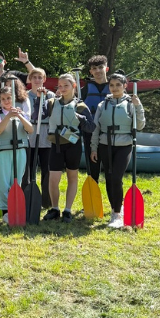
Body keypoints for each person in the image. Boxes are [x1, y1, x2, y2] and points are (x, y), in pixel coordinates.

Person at [92, 74, 145, 228]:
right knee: (109, 178)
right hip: (105, 144)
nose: (114, 88)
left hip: (124, 145)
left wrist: (138, 107)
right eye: (112, 85)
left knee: (116, 177)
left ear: (125, 86)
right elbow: (96, 128)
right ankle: (115, 210)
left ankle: (117, 213)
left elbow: (140, 125)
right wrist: (94, 148)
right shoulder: (103, 105)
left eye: (118, 85)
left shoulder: (131, 104)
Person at [0, 80, 35, 220]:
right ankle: (5, 211)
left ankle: (15, 207)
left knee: (17, 180)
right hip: (3, 151)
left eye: (9, 98)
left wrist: (19, 116)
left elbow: (30, 130)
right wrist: (8, 116)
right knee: (3, 182)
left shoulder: (21, 113)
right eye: (3, 99)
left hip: (20, 150)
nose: (6, 101)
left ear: (14, 98)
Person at [45, 73, 87, 219]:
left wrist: (82, 119)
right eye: (60, 86)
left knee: (72, 177)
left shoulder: (80, 106)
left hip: (72, 145)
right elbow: (39, 114)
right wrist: (40, 97)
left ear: (74, 86)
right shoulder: (51, 103)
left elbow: (91, 127)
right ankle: (55, 208)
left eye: (66, 85)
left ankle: (68, 210)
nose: (62, 88)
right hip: (56, 144)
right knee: (53, 178)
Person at [26, 66, 58, 219]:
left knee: (47, 170)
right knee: (29, 170)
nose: (37, 80)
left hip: (46, 137)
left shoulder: (51, 95)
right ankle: (30, 197)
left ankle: (47, 200)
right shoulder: (25, 96)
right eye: (34, 77)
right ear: (30, 79)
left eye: (40, 77)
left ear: (44, 79)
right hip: (30, 136)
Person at [80, 55, 112, 180]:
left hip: (110, 132)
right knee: (93, 168)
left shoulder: (114, 87)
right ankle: (93, 189)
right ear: (91, 71)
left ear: (106, 69)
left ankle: (114, 191)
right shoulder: (85, 89)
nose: (97, 71)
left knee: (111, 170)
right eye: (94, 68)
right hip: (90, 130)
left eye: (100, 67)